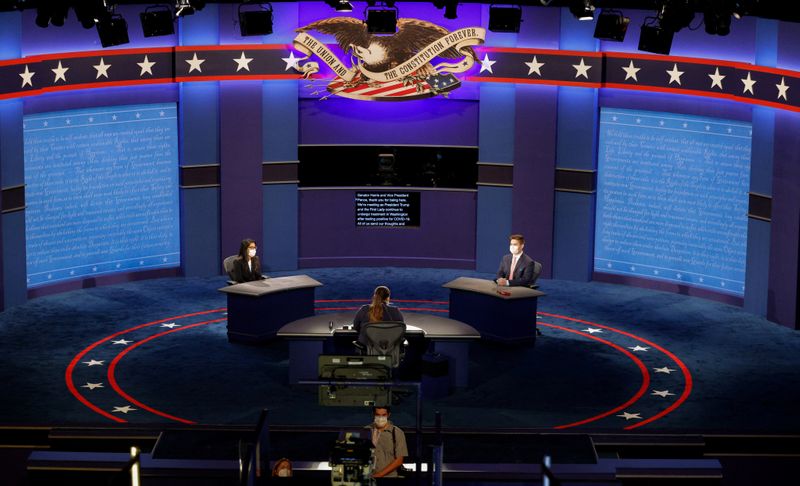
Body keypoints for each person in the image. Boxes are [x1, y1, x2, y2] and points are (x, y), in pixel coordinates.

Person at [365, 406, 407, 479]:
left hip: (389, 478)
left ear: (388, 415)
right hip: (367, 477)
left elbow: (399, 460)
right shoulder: (365, 431)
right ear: (373, 414)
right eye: (377, 415)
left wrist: (379, 475)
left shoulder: (397, 433)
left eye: (383, 415)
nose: (380, 418)